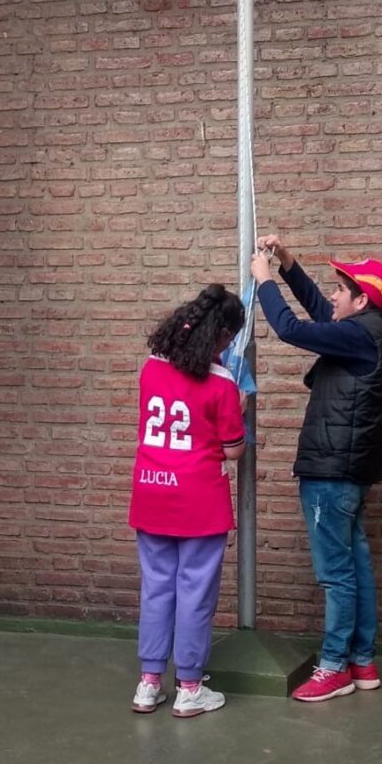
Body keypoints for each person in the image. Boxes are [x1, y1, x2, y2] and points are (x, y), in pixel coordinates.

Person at [250, 235, 382, 703]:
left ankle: (333, 667)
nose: (333, 295)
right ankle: (362, 660)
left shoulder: (358, 335)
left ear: (361, 300)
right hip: (348, 473)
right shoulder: (368, 331)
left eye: (341, 289)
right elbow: (318, 310)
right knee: (355, 565)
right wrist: (287, 262)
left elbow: (293, 330)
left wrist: (264, 283)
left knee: (337, 574)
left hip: (332, 475)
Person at [128, 284, 246, 718]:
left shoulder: (149, 368)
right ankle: (190, 687)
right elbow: (233, 448)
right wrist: (241, 410)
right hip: (199, 499)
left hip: (151, 490)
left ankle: (149, 682)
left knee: (156, 589)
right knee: (195, 593)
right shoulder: (223, 383)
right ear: (222, 336)